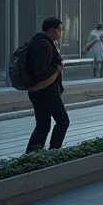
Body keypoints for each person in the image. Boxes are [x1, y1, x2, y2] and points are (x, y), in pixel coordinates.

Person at [26, 17, 69, 153]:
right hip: (46, 91)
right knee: (62, 121)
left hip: (38, 91)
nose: (61, 33)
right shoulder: (43, 45)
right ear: (52, 30)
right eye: (60, 30)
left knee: (43, 125)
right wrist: (56, 68)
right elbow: (39, 71)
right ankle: (53, 151)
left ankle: (32, 155)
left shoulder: (38, 42)